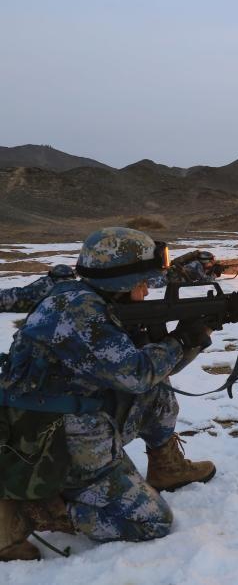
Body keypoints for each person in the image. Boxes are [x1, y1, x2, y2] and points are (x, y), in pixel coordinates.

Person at [0, 227, 216, 562]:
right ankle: (38, 511)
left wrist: (202, 330)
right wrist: (182, 340)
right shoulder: (83, 314)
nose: (147, 289)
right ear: (121, 283)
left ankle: (167, 468)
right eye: (142, 282)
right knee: (151, 521)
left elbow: (156, 373)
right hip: (52, 438)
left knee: (158, 394)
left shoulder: (88, 296)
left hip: (77, 414)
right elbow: (137, 373)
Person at [0, 265, 75, 313]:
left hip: (13, 295)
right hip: (10, 300)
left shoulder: (46, 280)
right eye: (69, 278)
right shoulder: (53, 288)